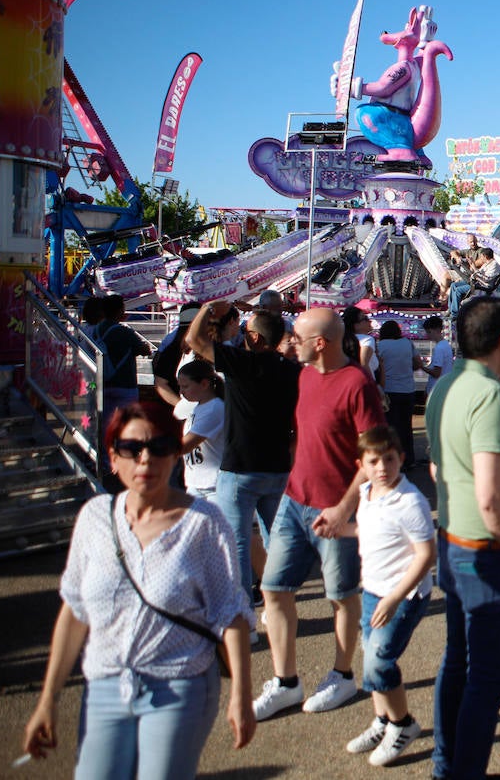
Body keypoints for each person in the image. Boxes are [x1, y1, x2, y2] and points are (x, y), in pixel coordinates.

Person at [21, 402, 256, 777]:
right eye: (131, 449)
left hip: (179, 685)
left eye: (160, 447)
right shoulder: (95, 518)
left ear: (176, 455)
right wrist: (47, 700)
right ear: (113, 458)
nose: (146, 459)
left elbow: (231, 614)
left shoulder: (204, 524)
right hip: (105, 686)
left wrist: (241, 697)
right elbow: (75, 611)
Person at [252, 307, 385, 722]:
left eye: (297, 336)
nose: (291, 341)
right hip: (295, 500)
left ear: (321, 343)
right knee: (274, 589)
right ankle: (286, 682)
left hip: (338, 508)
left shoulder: (357, 385)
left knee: (342, 597)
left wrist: (345, 508)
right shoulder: (306, 376)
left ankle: (343, 675)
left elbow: (373, 455)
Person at [423, 297, 500, 779]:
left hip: (456, 542)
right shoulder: (488, 395)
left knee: (459, 663)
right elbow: (491, 499)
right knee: (487, 676)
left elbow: (436, 467)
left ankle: (448, 766)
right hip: (487, 553)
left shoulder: (446, 386)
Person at [188, 304, 302, 609]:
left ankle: (241, 613)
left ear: (255, 338)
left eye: (246, 330)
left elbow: (195, 340)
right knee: (277, 538)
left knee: (235, 543)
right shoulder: (294, 371)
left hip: (239, 468)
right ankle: (280, 601)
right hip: (277, 467)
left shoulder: (241, 363)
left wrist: (208, 310)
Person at [338, 425, 436, 767]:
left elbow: (426, 554)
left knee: (379, 662)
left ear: (401, 460)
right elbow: (370, 530)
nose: (382, 467)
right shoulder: (366, 493)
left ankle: (403, 724)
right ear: (362, 464)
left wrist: (394, 598)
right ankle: (382, 721)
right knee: (370, 659)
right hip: (373, 590)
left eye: (389, 459)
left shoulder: (410, 502)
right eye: (374, 461)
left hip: (404, 597)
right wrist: (340, 528)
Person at [96, 294, 153, 429]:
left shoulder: (96, 331)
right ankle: (126, 447)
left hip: (102, 383)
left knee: (105, 423)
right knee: (128, 423)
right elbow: (145, 350)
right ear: (120, 310)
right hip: (125, 384)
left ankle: (105, 448)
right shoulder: (125, 332)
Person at [177, 358, 225, 501]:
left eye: (185, 386)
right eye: (180, 386)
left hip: (215, 485)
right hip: (195, 482)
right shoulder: (197, 407)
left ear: (204, 384)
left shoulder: (215, 408)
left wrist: (155, 450)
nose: (181, 392)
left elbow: (186, 445)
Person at [377, 320, 422, 464]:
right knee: (406, 426)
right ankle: (409, 459)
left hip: (389, 390)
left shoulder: (380, 346)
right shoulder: (407, 343)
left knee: (390, 427)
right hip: (408, 389)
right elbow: (418, 364)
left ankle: (392, 460)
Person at [342, 306, 381, 383]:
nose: (369, 321)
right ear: (356, 325)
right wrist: (373, 386)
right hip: (364, 383)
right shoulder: (367, 339)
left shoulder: (342, 339)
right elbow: (363, 363)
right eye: (365, 318)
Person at [423, 315, 454, 396]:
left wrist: (421, 366)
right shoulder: (446, 345)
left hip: (436, 391)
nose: (427, 335)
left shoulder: (439, 348)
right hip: (443, 388)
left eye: (429, 332)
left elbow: (436, 373)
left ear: (437, 330)